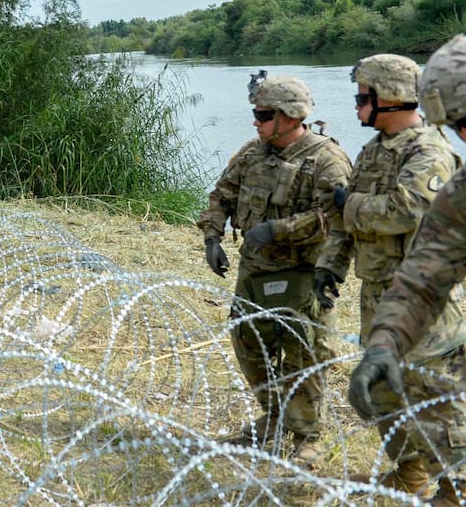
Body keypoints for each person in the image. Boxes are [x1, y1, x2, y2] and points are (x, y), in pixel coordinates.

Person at [315, 53, 464, 496]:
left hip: (423, 302)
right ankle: (411, 476)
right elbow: (347, 221)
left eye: (363, 97)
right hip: (378, 294)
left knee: (435, 401)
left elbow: (409, 209)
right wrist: (329, 266)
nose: (357, 106)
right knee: (385, 396)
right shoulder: (375, 150)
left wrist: (349, 204)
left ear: (391, 98)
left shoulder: (429, 150)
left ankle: (456, 489)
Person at [198, 72, 351, 468]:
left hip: (302, 272)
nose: (256, 121)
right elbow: (222, 194)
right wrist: (212, 236)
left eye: (264, 114)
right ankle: (274, 418)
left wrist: (277, 230)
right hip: (254, 272)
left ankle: (306, 436)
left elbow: (335, 217)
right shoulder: (252, 153)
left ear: (289, 116)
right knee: (251, 347)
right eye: (255, 113)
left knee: (304, 353)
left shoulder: (326, 159)